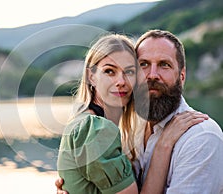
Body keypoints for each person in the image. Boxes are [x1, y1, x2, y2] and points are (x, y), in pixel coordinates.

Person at [56, 33, 208, 194]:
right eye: (109, 71)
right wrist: (163, 145)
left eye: (129, 72)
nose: (121, 81)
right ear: (91, 76)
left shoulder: (102, 126)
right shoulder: (96, 130)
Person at [133, 29, 223, 193]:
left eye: (164, 65)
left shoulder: (201, 138)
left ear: (182, 76)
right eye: (143, 64)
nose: (152, 75)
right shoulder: (128, 131)